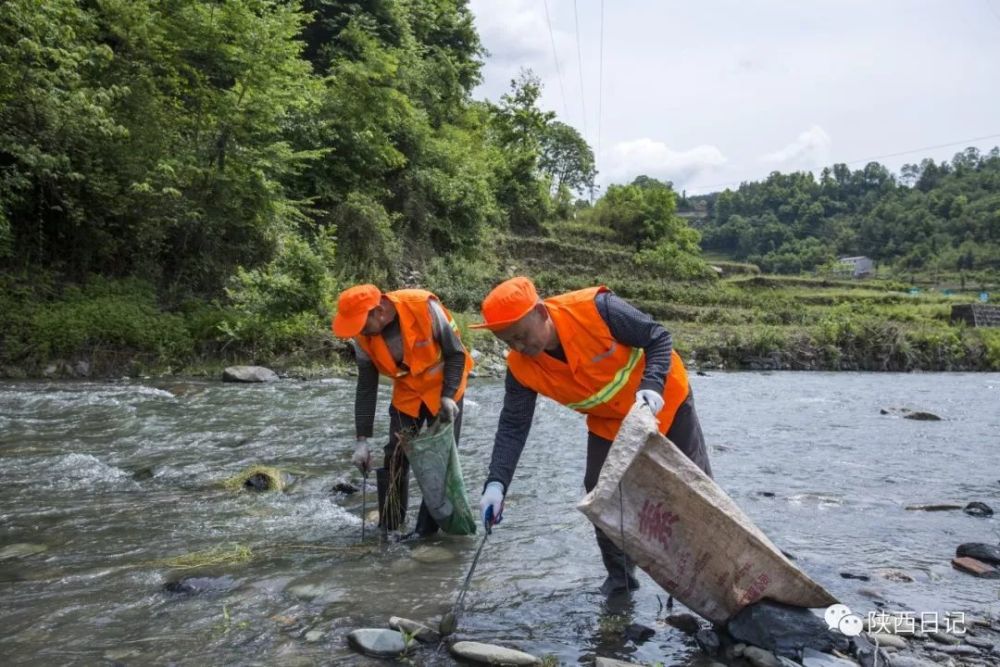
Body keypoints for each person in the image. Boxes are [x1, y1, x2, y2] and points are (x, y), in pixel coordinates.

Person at [471, 277, 712, 595]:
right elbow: (514, 425)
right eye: (508, 341)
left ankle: (716, 576)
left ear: (542, 312)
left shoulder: (597, 310)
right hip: (609, 420)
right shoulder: (520, 367)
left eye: (522, 336)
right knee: (601, 492)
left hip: (662, 400)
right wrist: (496, 483)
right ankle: (620, 579)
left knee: (696, 491)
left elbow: (658, 336)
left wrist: (652, 384)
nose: (518, 347)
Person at [332, 284, 473, 537]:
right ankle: (390, 524)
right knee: (395, 455)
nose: (359, 332)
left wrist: (449, 396)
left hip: (445, 391)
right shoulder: (362, 336)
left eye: (362, 325)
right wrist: (361, 441)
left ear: (379, 311)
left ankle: (425, 533)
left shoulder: (424, 307)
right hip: (407, 395)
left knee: (439, 460)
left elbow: (456, 353)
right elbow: (366, 385)